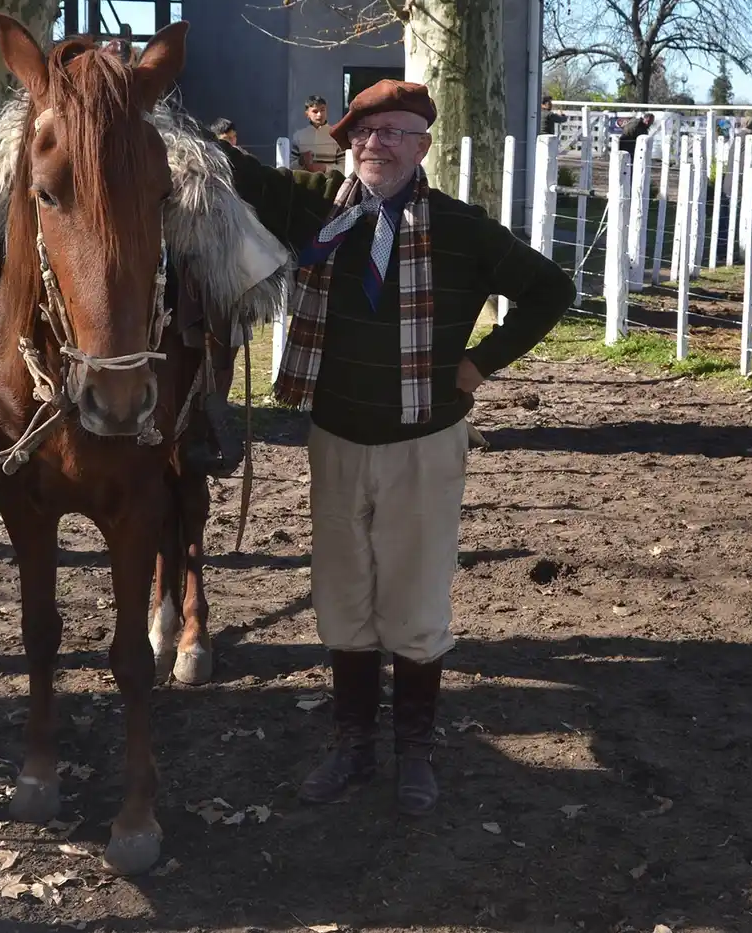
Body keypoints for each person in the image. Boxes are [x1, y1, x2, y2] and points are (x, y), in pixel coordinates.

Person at [224, 80, 575, 817]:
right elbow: (238, 172)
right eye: (362, 132)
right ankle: (352, 744)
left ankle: (414, 751)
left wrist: (479, 364)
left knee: (414, 605)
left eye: (392, 132)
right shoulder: (316, 209)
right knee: (344, 600)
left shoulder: (460, 229)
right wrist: (146, 104)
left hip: (424, 444)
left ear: (422, 145)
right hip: (336, 440)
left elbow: (550, 289)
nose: (374, 143)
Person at [293, 94, 342, 171]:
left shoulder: (337, 135)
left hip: (331, 182)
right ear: (307, 114)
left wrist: (325, 168)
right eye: (315, 111)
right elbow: (289, 167)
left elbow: (345, 167)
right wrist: (300, 161)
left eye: (322, 110)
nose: (319, 114)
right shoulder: (298, 137)